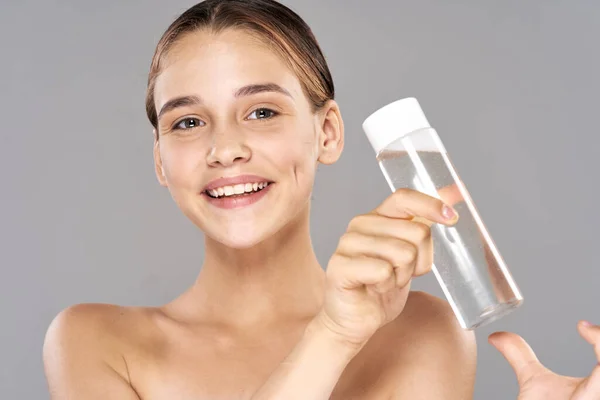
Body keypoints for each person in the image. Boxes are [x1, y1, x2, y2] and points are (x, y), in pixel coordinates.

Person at [41, 1, 600, 399]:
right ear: (161, 159)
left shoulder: (422, 334)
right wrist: (331, 337)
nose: (225, 148)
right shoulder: (93, 343)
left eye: (261, 111)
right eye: (187, 121)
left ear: (328, 132)